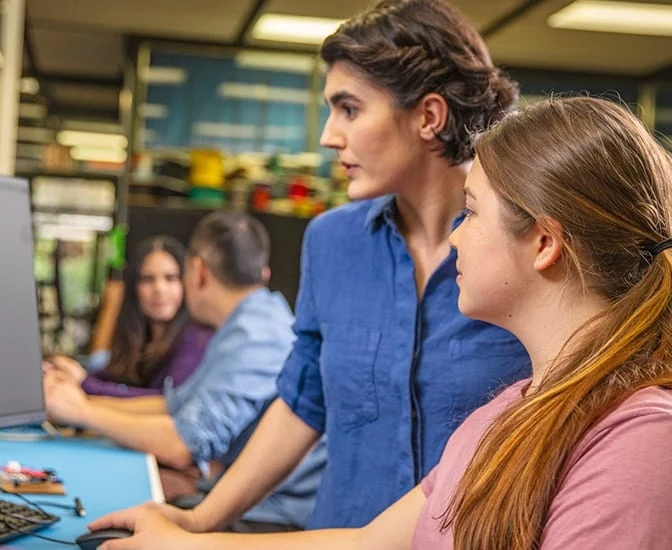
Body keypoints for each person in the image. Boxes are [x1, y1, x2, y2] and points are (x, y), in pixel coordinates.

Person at [87, 96, 672, 550]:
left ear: (544, 243)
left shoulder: (649, 451)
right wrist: (184, 541)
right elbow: (371, 542)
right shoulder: (519, 409)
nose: (456, 240)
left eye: (473, 213)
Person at [91, 0, 531, 534]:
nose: (327, 136)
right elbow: (303, 402)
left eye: (348, 109)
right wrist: (199, 521)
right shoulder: (332, 241)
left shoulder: (522, 245)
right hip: (333, 534)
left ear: (428, 116)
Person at [44, 211, 326, 529]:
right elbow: (172, 405)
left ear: (197, 271)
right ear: (263, 272)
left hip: (269, 517)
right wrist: (75, 400)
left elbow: (183, 445)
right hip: (241, 501)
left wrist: (83, 411)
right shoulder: (249, 320)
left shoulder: (256, 337)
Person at [44, 236, 212, 399]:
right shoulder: (137, 340)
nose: (160, 289)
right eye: (147, 279)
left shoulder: (195, 339)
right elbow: (107, 377)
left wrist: (84, 383)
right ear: (134, 288)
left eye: (170, 278)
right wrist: (64, 373)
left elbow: (168, 402)